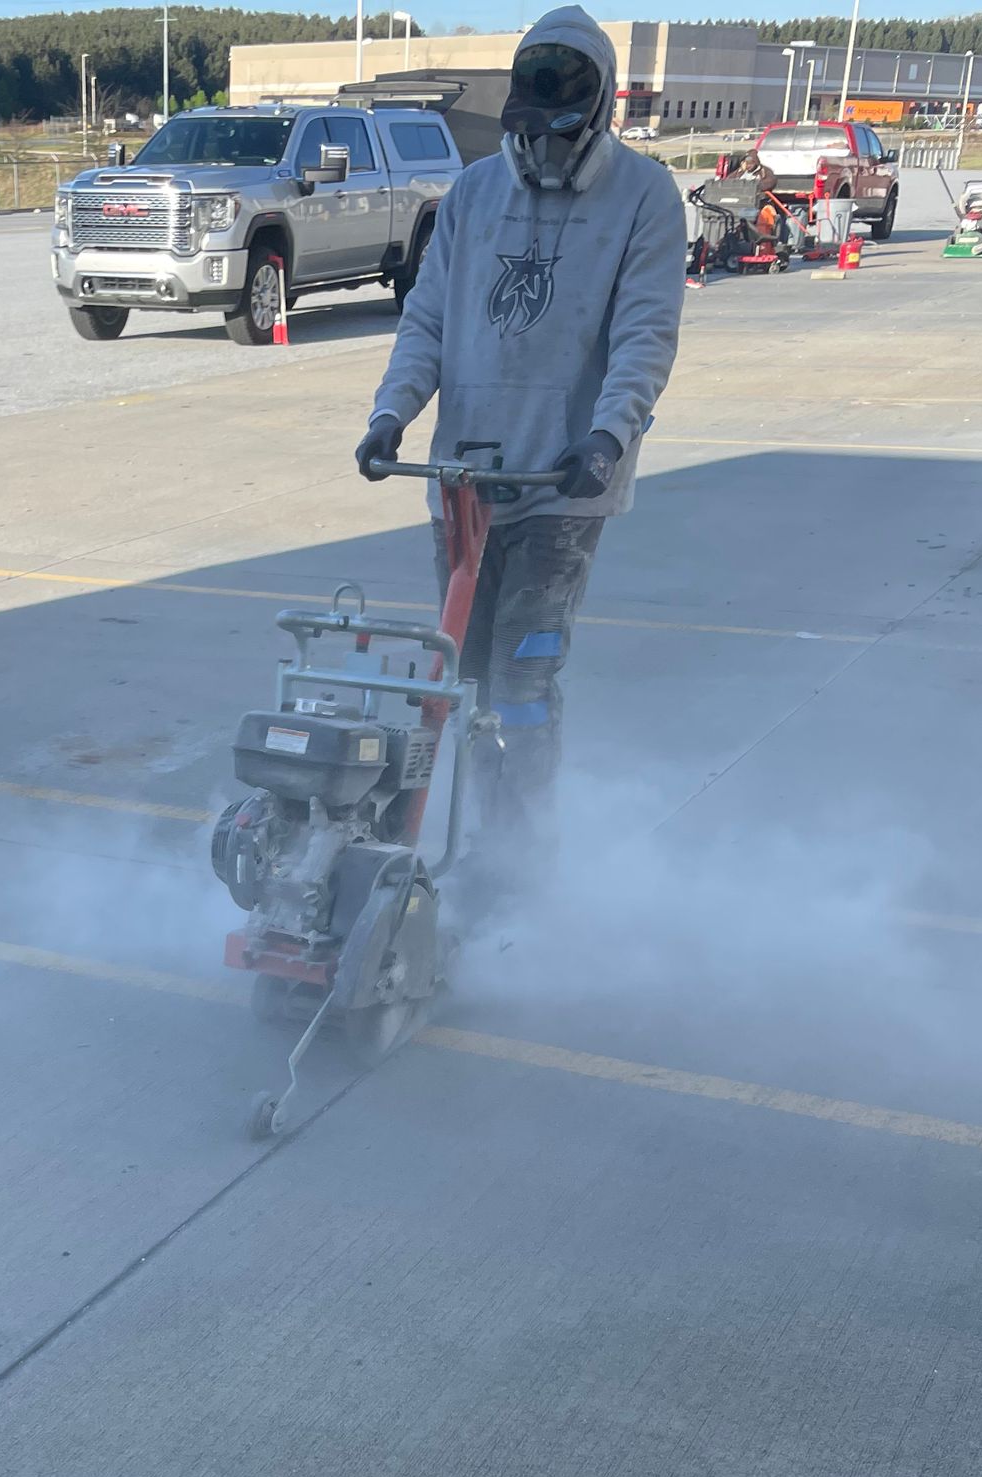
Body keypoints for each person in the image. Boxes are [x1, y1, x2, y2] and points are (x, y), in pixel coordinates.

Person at [356, 7, 687, 890]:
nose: (541, 154)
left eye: (560, 134)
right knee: (456, 689)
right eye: (527, 134)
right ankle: (454, 849)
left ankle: (520, 865)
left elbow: (645, 337)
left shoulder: (645, 198)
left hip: (560, 487)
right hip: (462, 481)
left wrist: (609, 439)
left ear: (600, 113)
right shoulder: (471, 195)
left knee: (518, 689)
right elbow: (426, 318)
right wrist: (392, 415)